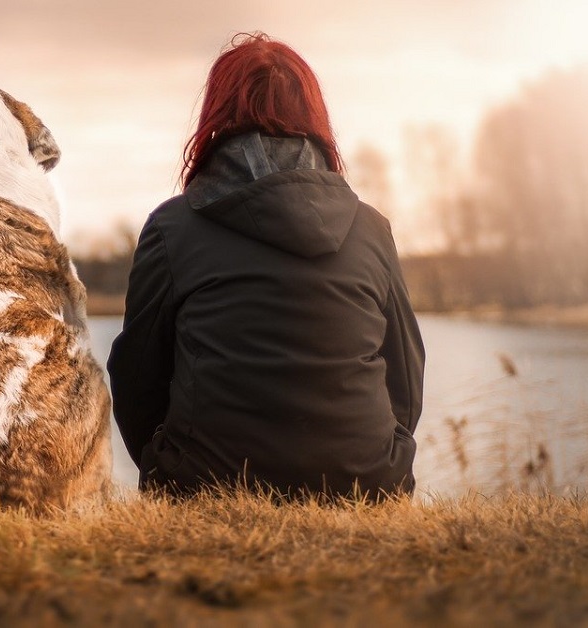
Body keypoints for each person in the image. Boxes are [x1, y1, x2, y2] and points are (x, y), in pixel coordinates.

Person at [107, 32, 425, 501]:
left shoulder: (172, 228)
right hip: (366, 484)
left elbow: (136, 378)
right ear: (314, 116)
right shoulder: (372, 228)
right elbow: (406, 375)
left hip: (204, 484)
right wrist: (379, 456)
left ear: (216, 116)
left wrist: (166, 463)